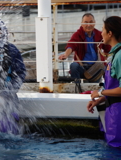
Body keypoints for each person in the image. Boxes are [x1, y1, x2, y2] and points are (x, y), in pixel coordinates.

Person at [87, 16, 121, 148]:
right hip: (113, 111)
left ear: (110, 33)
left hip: (118, 115)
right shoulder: (115, 54)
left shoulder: (119, 56)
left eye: (103, 30)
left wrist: (100, 92)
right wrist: (100, 100)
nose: (101, 33)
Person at [58, 13, 110, 80]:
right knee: (74, 66)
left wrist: (105, 59)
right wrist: (66, 54)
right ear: (82, 23)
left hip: (96, 67)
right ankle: (76, 86)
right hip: (82, 66)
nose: (88, 25)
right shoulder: (78, 34)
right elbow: (71, 45)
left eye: (91, 22)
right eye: (86, 22)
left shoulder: (99, 34)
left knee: (108, 69)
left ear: (94, 23)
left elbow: (107, 48)